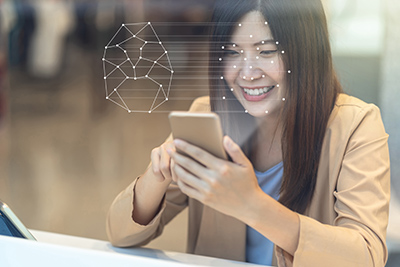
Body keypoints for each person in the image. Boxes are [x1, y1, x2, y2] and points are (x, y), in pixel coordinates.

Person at [106, 0, 390, 266]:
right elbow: (120, 235)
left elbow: (366, 256)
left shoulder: (356, 126)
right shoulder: (206, 116)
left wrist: (252, 205)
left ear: (307, 52)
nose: (248, 73)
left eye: (266, 51)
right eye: (231, 53)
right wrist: (155, 177)